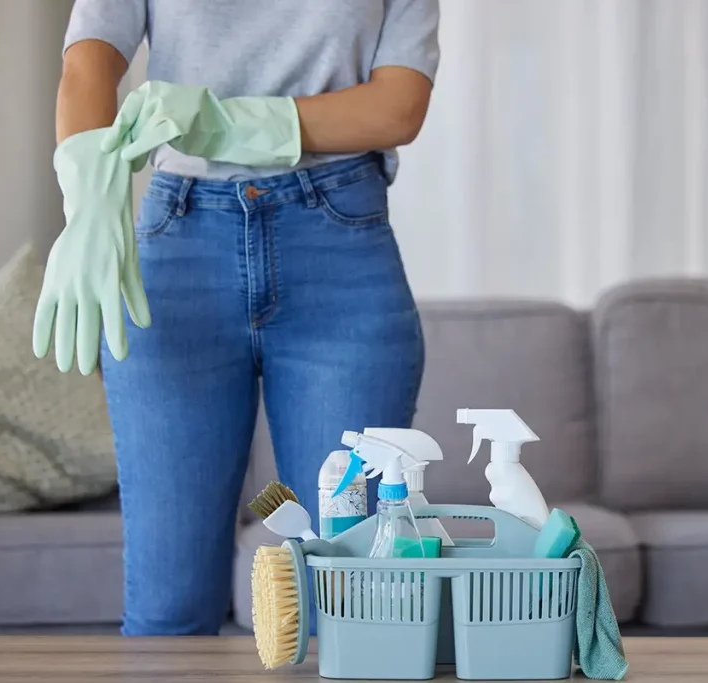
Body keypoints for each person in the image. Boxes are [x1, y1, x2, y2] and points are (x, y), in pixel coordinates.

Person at [42, 0, 439, 636]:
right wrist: (87, 193)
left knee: (359, 608)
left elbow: (397, 106)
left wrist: (224, 121)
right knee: (169, 609)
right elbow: (90, 59)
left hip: (339, 249)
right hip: (180, 243)